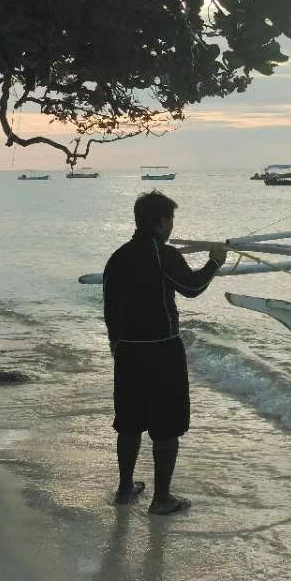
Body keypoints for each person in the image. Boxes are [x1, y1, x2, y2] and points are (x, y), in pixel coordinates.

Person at [102, 191, 227, 515]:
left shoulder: (117, 257)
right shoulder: (163, 254)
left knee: (128, 422)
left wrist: (116, 344)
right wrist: (215, 261)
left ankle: (125, 489)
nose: (172, 226)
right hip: (162, 351)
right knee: (166, 426)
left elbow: (110, 309)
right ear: (160, 223)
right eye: (170, 220)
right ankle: (162, 499)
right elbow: (192, 288)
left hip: (127, 352)